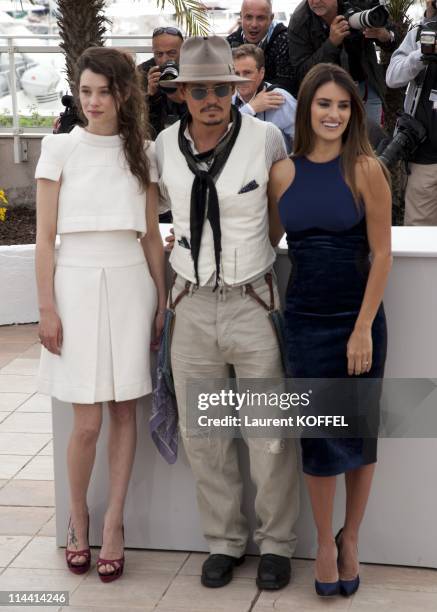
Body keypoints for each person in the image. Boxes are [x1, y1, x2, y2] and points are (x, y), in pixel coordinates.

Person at [156, 36, 300, 590]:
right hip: (190, 306)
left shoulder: (265, 140)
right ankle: (223, 541)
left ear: (237, 89)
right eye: (200, 90)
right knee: (205, 435)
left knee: (267, 433)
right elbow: (148, 213)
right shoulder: (163, 147)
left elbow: (279, 211)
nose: (212, 98)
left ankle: (278, 545)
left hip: (252, 302)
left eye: (222, 87)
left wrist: (255, 262)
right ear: (183, 95)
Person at [35, 47, 166, 582]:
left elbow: (152, 237)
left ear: (123, 94)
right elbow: (44, 239)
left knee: (123, 411)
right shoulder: (56, 148)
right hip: (74, 283)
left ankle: (114, 525)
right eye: (85, 91)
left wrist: (161, 300)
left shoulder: (145, 152)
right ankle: (77, 517)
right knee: (85, 420)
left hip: (131, 281)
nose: (93, 101)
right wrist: (46, 305)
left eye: (103, 91)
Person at [268, 63, 391, 596]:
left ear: (353, 112)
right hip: (305, 321)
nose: (334, 114)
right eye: (324, 104)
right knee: (317, 441)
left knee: (358, 437)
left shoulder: (365, 167)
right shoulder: (283, 172)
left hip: (357, 321)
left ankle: (352, 539)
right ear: (307, 109)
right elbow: (264, 239)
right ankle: (322, 541)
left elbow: (383, 254)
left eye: (343, 105)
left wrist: (363, 327)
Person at [288, 0, 399, 123]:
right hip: (326, 95)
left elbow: (394, 38)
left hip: (365, 87)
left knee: (372, 138)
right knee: (336, 141)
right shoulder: (300, 20)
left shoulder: (362, 3)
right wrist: (331, 44)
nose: (316, 1)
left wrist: (385, 36)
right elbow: (302, 73)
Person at [386, 2, 437, 225]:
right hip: (425, 156)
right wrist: (421, 55)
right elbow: (392, 77)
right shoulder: (418, 33)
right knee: (420, 233)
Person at [232, 44, 297, 153]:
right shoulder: (228, 98)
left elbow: (304, 140)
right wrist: (250, 109)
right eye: (236, 73)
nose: (241, 79)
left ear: (261, 73)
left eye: (247, 73)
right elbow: (221, 135)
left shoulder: (280, 98)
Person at [227, 0, 295, 93]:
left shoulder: (285, 41)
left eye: (260, 18)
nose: (254, 24)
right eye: (248, 17)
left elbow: (288, 84)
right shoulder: (229, 43)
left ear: (271, 18)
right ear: (241, 17)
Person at [139, 27, 187, 139]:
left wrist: (183, 98)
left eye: (171, 53)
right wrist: (151, 96)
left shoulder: (193, 69)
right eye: (159, 54)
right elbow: (138, 123)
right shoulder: (142, 72)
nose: (165, 60)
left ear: (183, 50)